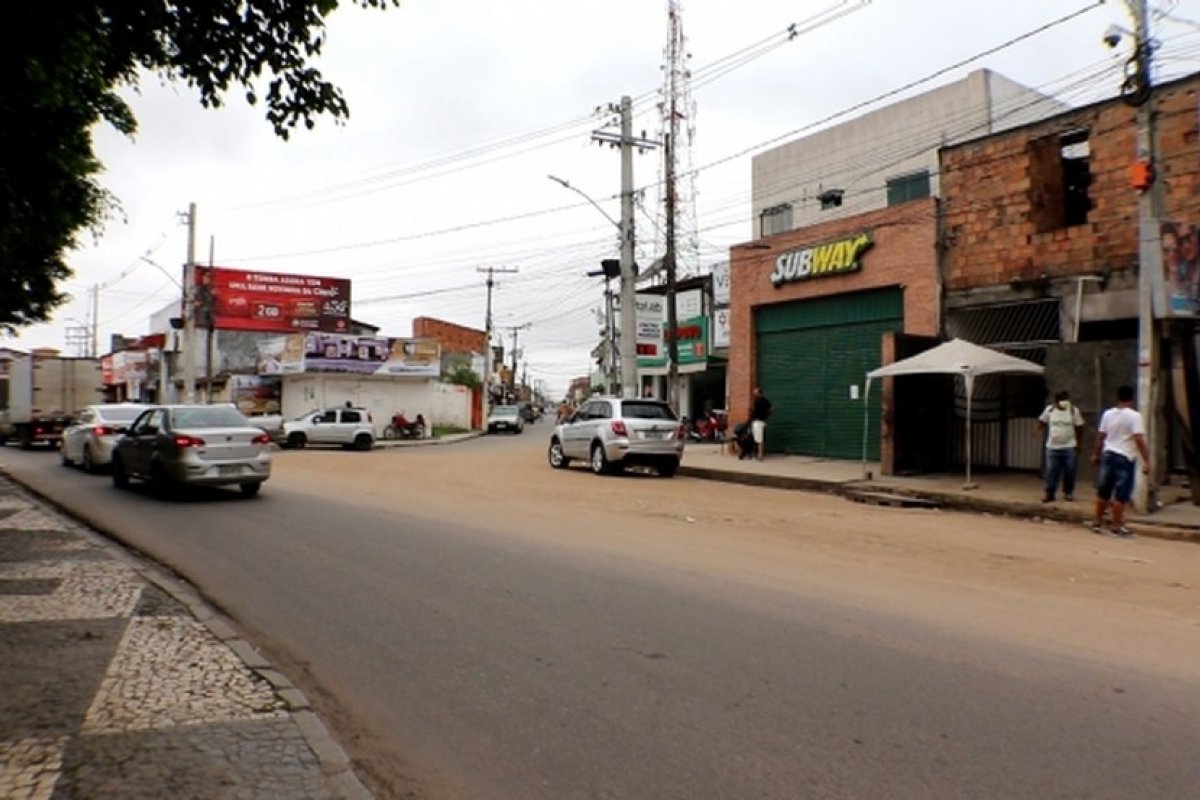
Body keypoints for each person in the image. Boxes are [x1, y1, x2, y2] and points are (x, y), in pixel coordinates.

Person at [1091, 384, 1151, 537]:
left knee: (1103, 492)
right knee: (1121, 495)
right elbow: (1139, 439)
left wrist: (1096, 454)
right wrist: (1146, 460)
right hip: (1124, 457)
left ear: (1118, 397)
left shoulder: (1108, 414)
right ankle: (1117, 526)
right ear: (1131, 399)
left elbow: (1101, 436)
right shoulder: (1134, 416)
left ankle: (1097, 522)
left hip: (1108, 454)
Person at [1036, 389, 1084, 502]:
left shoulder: (1073, 410)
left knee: (1070, 471)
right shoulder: (1050, 410)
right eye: (1061, 400)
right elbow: (1042, 420)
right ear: (1056, 401)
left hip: (1069, 446)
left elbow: (1080, 428)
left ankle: (1068, 492)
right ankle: (1050, 493)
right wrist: (1037, 430)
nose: (1063, 403)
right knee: (1051, 471)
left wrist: (1079, 444)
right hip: (1052, 447)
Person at [750, 386, 772, 461]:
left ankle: (760, 455)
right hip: (755, 421)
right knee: (756, 438)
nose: (754, 393)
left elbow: (771, 408)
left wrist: (766, 417)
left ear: (759, 393)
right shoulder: (756, 400)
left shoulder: (764, 400)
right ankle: (756, 453)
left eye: (755, 392)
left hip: (760, 421)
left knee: (759, 439)